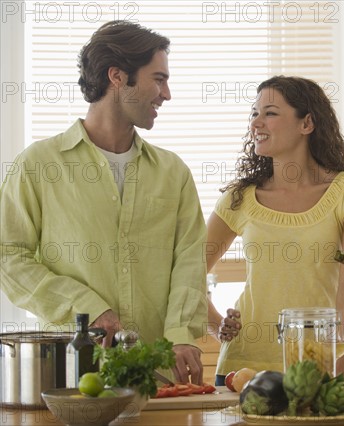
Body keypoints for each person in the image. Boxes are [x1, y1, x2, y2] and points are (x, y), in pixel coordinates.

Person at [0, 21, 208, 384]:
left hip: (158, 381)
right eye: (158, 79)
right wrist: (87, 309)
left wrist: (180, 334)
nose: (167, 94)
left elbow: (189, 260)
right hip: (71, 380)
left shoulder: (173, 173)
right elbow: (8, 255)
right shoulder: (39, 165)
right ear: (117, 76)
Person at [205, 76, 344, 384]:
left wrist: (341, 375)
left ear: (307, 123)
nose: (256, 122)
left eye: (269, 113)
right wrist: (216, 324)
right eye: (253, 113)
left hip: (315, 368)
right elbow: (187, 272)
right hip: (241, 368)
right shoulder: (239, 198)